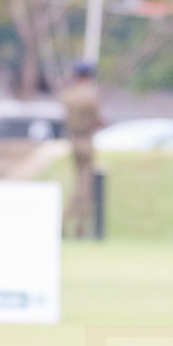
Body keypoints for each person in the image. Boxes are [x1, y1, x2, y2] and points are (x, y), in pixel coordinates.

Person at [59, 61, 106, 238]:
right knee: (85, 186)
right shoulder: (90, 94)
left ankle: (72, 224)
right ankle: (76, 226)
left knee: (80, 183)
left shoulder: (68, 93)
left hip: (73, 139)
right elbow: (97, 119)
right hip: (86, 140)